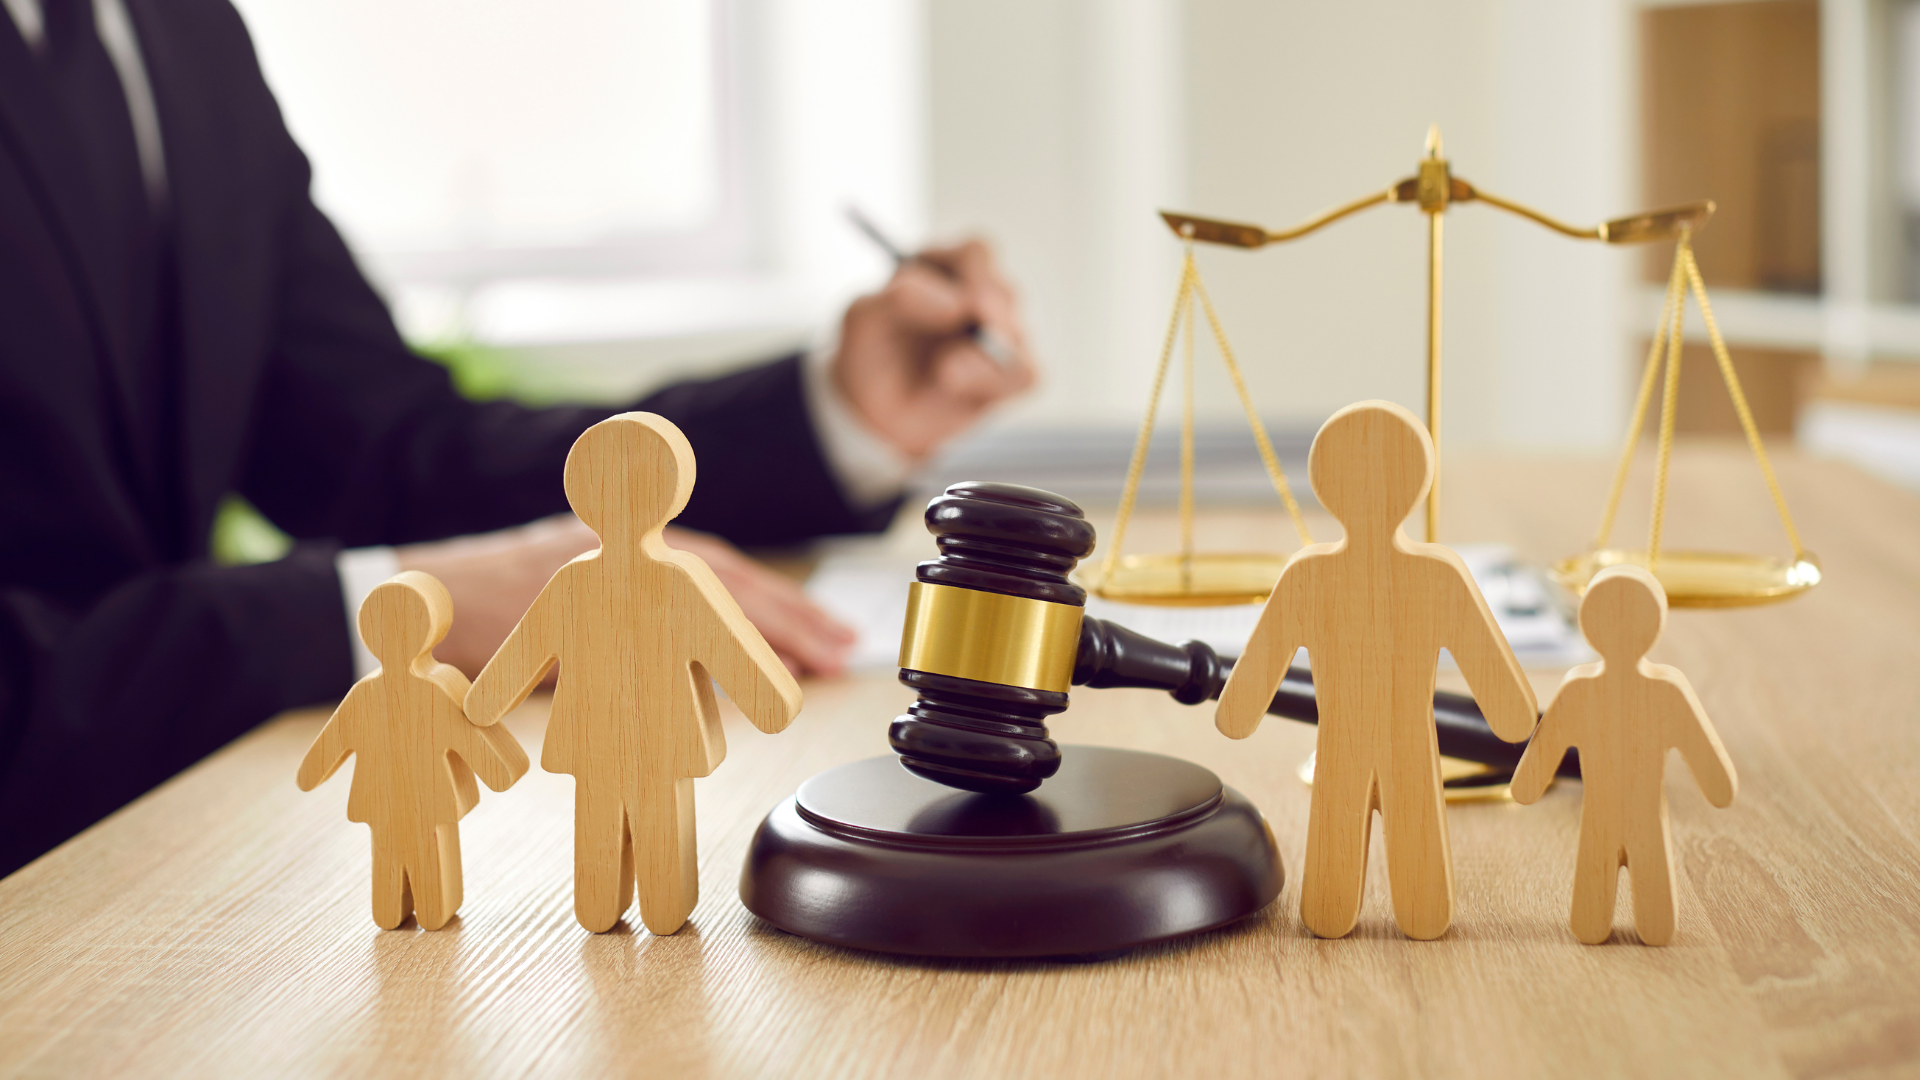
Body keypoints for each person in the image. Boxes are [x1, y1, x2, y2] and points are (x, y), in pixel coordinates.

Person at [0, 0, 1034, 875]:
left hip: (160, 859)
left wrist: (833, 415)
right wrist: (401, 613)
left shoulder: (179, 27)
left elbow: (387, 451)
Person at [465, 413, 802, 936]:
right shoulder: (632, 579)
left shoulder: (606, 579)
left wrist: (486, 701)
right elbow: (526, 649)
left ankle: (632, 905)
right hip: (633, 736)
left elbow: (519, 659)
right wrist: (769, 703)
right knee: (626, 818)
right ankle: (628, 905)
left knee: (629, 817)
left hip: (622, 737)